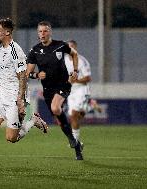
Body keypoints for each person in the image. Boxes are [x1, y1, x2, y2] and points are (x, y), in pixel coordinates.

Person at [0, 18, 48, 174]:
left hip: (14, 96)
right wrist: (0, 89)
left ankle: (32, 120)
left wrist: (20, 99)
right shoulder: (2, 50)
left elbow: (23, 76)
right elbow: (8, 74)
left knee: (11, 138)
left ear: (7, 32)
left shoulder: (15, 50)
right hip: (2, 94)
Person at [26, 21, 83, 160]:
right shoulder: (34, 50)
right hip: (47, 89)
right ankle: (76, 144)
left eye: (45, 31)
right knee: (59, 119)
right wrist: (37, 75)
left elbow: (74, 54)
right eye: (40, 31)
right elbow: (28, 72)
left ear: (50, 32)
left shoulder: (60, 45)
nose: (42, 34)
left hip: (63, 84)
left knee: (55, 108)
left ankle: (72, 140)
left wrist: (75, 71)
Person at [65, 40, 101, 148]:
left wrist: (74, 80)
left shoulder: (82, 61)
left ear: (76, 48)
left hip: (82, 89)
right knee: (73, 117)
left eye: (72, 47)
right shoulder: (64, 60)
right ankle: (89, 106)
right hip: (71, 91)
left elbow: (88, 78)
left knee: (75, 114)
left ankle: (75, 142)